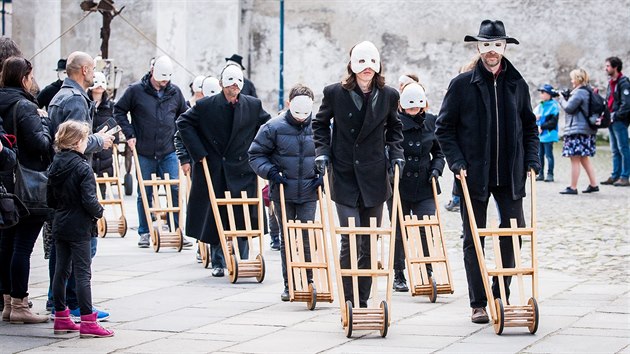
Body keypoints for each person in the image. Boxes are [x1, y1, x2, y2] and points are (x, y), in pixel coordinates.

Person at [435, 20, 540, 324]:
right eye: (486, 45)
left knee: (513, 233)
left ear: (505, 47)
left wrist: (532, 159)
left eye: (497, 45)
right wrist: (456, 162)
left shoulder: (517, 84)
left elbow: (530, 126)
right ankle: (478, 302)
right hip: (473, 173)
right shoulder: (462, 85)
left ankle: (499, 292)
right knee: (473, 237)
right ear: (479, 48)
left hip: (509, 173)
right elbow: (444, 128)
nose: (492, 52)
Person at [312, 40, 404, 308]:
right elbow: (319, 124)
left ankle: (363, 299)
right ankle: (349, 299)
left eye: (371, 63)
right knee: (350, 235)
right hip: (344, 174)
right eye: (361, 63)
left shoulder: (388, 95)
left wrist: (396, 154)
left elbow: (395, 129)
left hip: (374, 176)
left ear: (378, 66)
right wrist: (322, 152)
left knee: (368, 238)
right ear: (352, 66)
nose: (366, 69)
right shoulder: (334, 93)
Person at [177, 64, 271, 277]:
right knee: (216, 214)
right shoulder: (206, 106)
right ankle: (219, 261)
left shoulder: (253, 105)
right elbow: (183, 123)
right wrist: (198, 152)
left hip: (242, 168)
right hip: (215, 167)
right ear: (221, 84)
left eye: (238, 82)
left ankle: (243, 258)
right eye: (230, 82)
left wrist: (260, 151)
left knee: (243, 213)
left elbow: (267, 127)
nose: (234, 87)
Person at [47, 51, 113, 321]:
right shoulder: (74, 99)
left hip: (61, 179)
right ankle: (73, 303)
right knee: (81, 250)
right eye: (93, 68)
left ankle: (58, 302)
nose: (94, 72)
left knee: (60, 252)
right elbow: (76, 140)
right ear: (84, 70)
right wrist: (101, 140)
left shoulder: (59, 95)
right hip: (75, 179)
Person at [249, 84, 319, 301]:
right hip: (283, 189)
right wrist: (270, 172)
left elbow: (330, 153)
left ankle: (308, 280)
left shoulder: (319, 127)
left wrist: (323, 174)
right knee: (288, 239)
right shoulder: (273, 127)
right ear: (289, 105)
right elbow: (255, 155)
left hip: (309, 191)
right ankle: (289, 283)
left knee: (307, 236)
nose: (300, 119)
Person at [114, 55, 190, 248]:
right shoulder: (135, 91)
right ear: (152, 73)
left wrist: (181, 136)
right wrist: (129, 132)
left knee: (173, 188)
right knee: (144, 191)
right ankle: (145, 231)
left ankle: (175, 229)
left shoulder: (175, 92)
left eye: (167, 78)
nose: (165, 81)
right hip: (144, 150)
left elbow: (185, 115)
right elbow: (119, 110)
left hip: (169, 149)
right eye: (161, 77)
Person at [0, 56, 52, 324]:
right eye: (31, 77)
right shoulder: (26, 106)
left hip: (5, 182)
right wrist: (45, 120)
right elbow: (41, 144)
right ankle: (20, 304)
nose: (32, 81)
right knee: (22, 246)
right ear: (23, 78)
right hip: (27, 185)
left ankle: (8, 301)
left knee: (6, 243)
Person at [387, 82, 445, 292]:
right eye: (409, 108)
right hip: (399, 186)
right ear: (402, 106)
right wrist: (391, 169)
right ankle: (399, 273)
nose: (413, 112)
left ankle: (426, 270)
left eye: (416, 108)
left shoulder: (431, 122)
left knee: (426, 228)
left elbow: (439, 152)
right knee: (400, 232)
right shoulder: (393, 122)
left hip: (424, 184)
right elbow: (386, 149)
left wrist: (436, 170)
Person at [557, 68, 599, 194]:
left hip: (577, 130)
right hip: (584, 130)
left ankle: (573, 187)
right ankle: (593, 184)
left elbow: (569, 108)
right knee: (584, 159)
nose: (571, 80)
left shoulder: (579, 92)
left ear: (577, 79)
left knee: (574, 158)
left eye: (572, 78)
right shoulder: (587, 91)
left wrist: (561, 99)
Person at [601, 57, 630, 187]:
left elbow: (626, 104)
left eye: (608, 66)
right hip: (611, 120)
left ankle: (625, 176)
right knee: (614, 149)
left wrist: (615, 116)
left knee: (623, 148)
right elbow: (609, 101)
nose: (605, 68)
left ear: (615, 67)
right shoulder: (611, 82)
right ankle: (615, 175)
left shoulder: (624, 83)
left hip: (619, 121)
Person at [89, 72, 119, 184]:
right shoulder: (85, 103)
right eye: (96, 82)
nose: (99, 86)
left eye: (102, 83)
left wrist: (115, 140)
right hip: (90, 144)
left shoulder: (111, 106)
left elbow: (116, 124)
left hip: (105, 146)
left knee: (104, 179)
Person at [534, 84, 560, 182]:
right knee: (540, 155)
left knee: (549, 155)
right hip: (541, 135)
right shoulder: (540, 105)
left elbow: (553, 122)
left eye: (543, 92)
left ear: (549, 94)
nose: (541, 95)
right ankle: (540, 174)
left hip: (549, 135)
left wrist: (542, 126)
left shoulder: (554, 106)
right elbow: (535, 116)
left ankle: (550, 174)